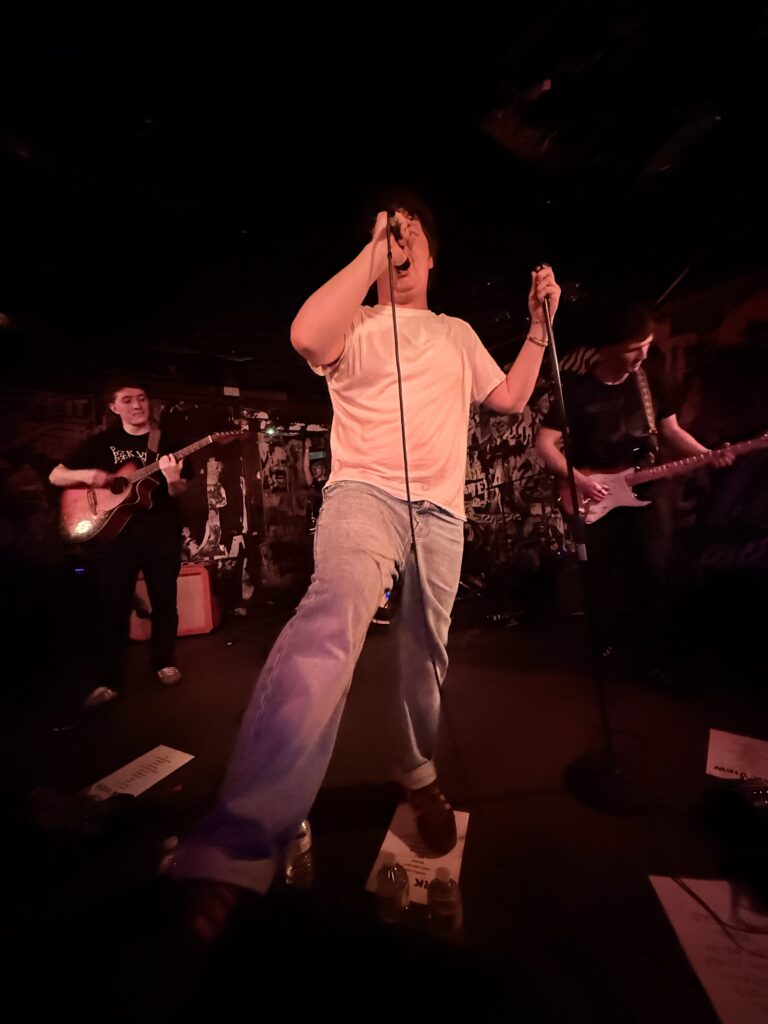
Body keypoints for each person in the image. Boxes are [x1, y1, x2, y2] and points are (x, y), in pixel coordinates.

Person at [170, 197, 560, 940]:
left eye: (412, 232)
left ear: (434, 255)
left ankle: (418, 774)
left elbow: (509, 399)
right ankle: (241, 839)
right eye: (390, 230)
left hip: (441, 510)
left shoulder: (456, 333)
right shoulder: (352, 322)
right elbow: (303, 335)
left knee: (428, 649)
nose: (402, 239)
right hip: (363, 495)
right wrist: (375, 253)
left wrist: (539, 329)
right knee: (332, 620)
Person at [536, 302, 733, 682]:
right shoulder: (576, 391)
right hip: (595, 494)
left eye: (646, 345)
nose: (642, 355)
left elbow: (671, 431)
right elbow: (544, 443)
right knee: (603, 577)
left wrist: (707, 454)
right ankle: (604, 648)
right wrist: (579, 480)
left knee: (652, 572)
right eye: (632, 349)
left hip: (646, 494)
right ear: (607, 348)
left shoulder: (651, 380)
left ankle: (653, 659)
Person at [49, 379, 193, 706]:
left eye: (141, 398)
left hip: (161, 536)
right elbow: (56, 475)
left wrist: (173, 480)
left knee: (165, 602)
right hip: (115, 540)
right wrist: (91, 477)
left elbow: (180, 491)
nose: (137, 405)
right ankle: (109, 680)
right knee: (113, 608)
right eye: (127, 400)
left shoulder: (168, 443)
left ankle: (164, 662)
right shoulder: (101, 443)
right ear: (114, 408)